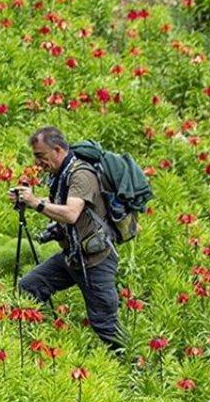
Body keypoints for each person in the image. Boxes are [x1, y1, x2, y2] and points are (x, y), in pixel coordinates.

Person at [8, 126, 124, 354]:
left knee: (106, 327)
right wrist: (27, 198)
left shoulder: (81, 174)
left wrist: (36, 203)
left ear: (58, 149)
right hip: (72, 257)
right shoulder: (60, 174)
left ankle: (134, 367)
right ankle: (41, 341)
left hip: (95, 262)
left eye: (41, 156)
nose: (38, 162)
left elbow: (71, 214)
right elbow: (62, 204)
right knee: (29, 287)